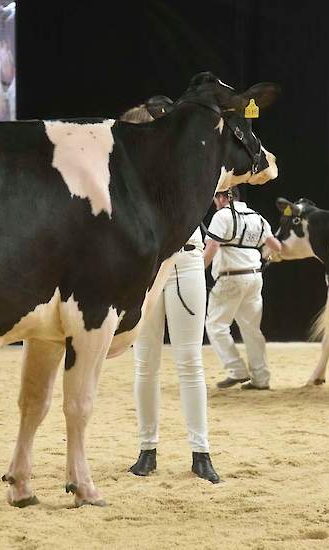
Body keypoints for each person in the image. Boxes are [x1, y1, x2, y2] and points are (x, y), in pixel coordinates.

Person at [120, 97, 220, 483]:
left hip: (186, 258)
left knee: (189, 361)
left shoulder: (182, 165)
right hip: (148, 266)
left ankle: (201, 451)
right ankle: (147, 449)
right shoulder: (127, 175)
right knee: (145, 364)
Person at [203, 187, 282, 390]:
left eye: (216, 198)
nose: (215, 203)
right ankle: (261, 379)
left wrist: (198, 268)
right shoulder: (257, 217)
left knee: (215, 325)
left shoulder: (222, 216)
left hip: (231, 278)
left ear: (223, 197)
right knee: (252, 330)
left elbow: (212, 246)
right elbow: (276, 246)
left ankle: (237, 370)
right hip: (254, 277)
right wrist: (265, 255)